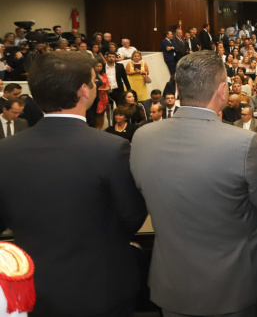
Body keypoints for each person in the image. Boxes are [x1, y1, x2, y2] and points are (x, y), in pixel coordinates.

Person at [0, 51, 147, 316]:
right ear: (83, 91)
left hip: (32, 292)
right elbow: (132, 217)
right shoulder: (112, 149)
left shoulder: (5, 151)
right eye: (93, 81)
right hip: (101, 289)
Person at [131, 51, 257, 317]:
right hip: (234, 284)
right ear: (222, 90)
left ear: (177, 87)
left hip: (172, 284)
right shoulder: (243, 143)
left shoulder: (142, 137)